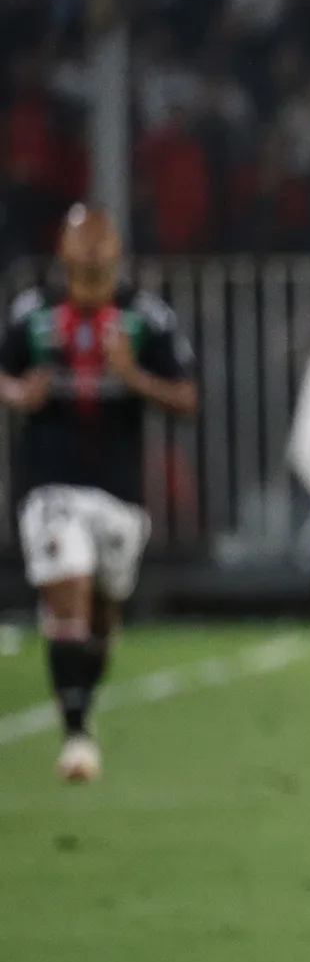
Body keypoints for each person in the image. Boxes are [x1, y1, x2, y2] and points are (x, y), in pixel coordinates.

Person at [0, 206, 198, 783]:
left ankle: (80, 702)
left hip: (119, 487)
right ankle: (77, 735)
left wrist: (132, 375)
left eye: (98, 240)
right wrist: (18, 393)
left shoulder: (145, 317)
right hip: (50, 480)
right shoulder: (32, 313)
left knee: (104, 612)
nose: (88, 251)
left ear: (116, 250)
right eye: (77, 239)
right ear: (61, 249)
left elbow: (187, 399)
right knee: (71, 593)